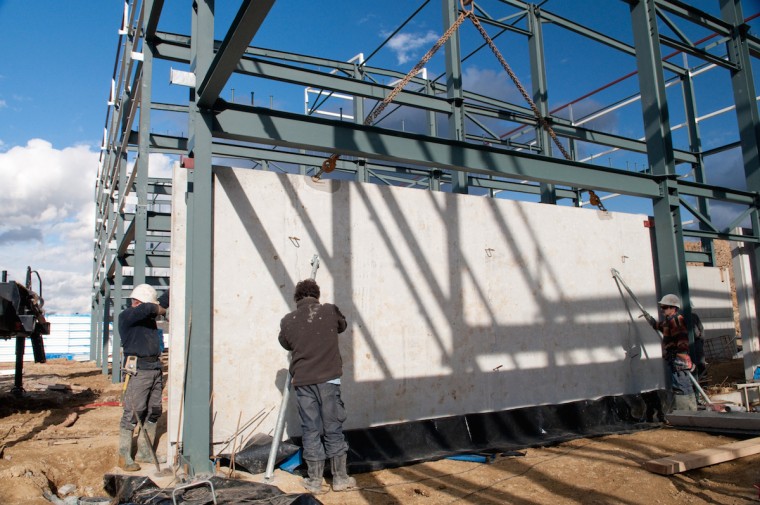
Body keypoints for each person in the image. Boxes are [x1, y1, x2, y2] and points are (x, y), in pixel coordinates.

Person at [278, 279, 356, 494]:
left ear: (296, 298)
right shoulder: (329, 311)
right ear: (317, 295)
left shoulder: (288, 320)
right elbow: (343, 325)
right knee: (333, 426)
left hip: (303, 383)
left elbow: (284, 342)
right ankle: (340, 478)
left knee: (310, 429)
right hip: (328, 381)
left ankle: (314, 482)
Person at [117, 284, 167, 471]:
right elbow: (149, 308)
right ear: (138, 302)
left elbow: (158, 304)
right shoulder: (128, 315)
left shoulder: (146, 319)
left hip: (154, 367)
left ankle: (144, 452)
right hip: (138, 370)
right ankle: (124, 456)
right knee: (133, 412)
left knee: (154, 410)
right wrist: (159, 308)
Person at [647, 294, 695, 402]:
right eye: (661, 307)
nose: (661, 310)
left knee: (681, 385)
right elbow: (660, 327)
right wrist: (651, 321)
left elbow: (682, 339)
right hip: (673, 357)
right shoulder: (669, 321)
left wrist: (682, 356)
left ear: (673, 308)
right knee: (679, 384)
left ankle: (687, 411)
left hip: (678, 357)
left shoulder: (677, 320)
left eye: (664, 307)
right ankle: (685, 410)